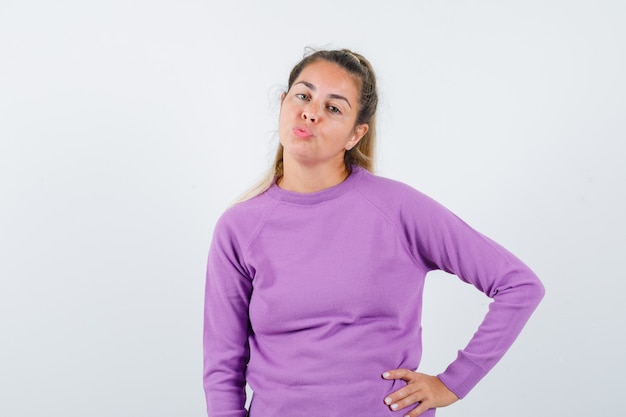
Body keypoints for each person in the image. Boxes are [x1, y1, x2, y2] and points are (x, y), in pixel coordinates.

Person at [203, 48, 544, 417]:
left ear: (355, 134)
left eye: (333, 108)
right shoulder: (239, 228)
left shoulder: (397, 210)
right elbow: (223, 369)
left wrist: (453, 383)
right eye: (303, 95)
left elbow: (518, 285)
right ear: (284, 103)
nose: (311, 112)